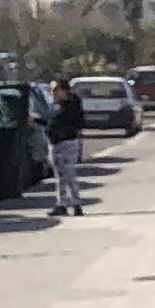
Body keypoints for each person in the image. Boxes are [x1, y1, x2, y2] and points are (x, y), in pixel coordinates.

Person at [46, 76, 89, 215]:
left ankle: (76, 204)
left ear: (64, 90)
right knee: (60, 176)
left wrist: (62, 131)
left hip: (68, 142)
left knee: (69, 174)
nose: (53, 93)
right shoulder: (55, 105)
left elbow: (75, 123)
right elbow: (50, 122)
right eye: (51, 90)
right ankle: (61, 204)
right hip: (55, 143)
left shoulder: (72, 105)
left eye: (56, 90)